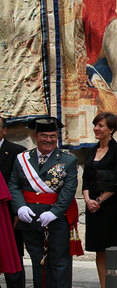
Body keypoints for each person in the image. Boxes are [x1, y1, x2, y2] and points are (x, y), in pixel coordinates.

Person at [8, 117, 80, 288]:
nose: (49, 140)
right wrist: (20, 208)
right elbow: (14, 185)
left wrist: (54, 212)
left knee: (60, 263)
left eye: (53, 136)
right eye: (44, 136)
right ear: (36, 136)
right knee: (37, 261)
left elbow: (69, 190)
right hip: (30, 219)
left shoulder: (68, 160)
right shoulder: (22, 159)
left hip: (57, 220)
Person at [82, 112, 117, 288]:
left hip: (110, 207)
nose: (96, 129)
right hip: (93, 208)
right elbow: (85, 179)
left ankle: (115, 284)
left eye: (101, 125)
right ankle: (103, 285)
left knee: (112, 249)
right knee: (99, 250)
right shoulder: (92, 150)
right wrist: (87, 200)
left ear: (111, 129)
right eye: (95, 125)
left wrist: (98, 200)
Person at [0, 117, 26, 288]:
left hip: (9, 214)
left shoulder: (17, 151)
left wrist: (18, 211)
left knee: (13, 257)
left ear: (4, 130)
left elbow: (22, 184)